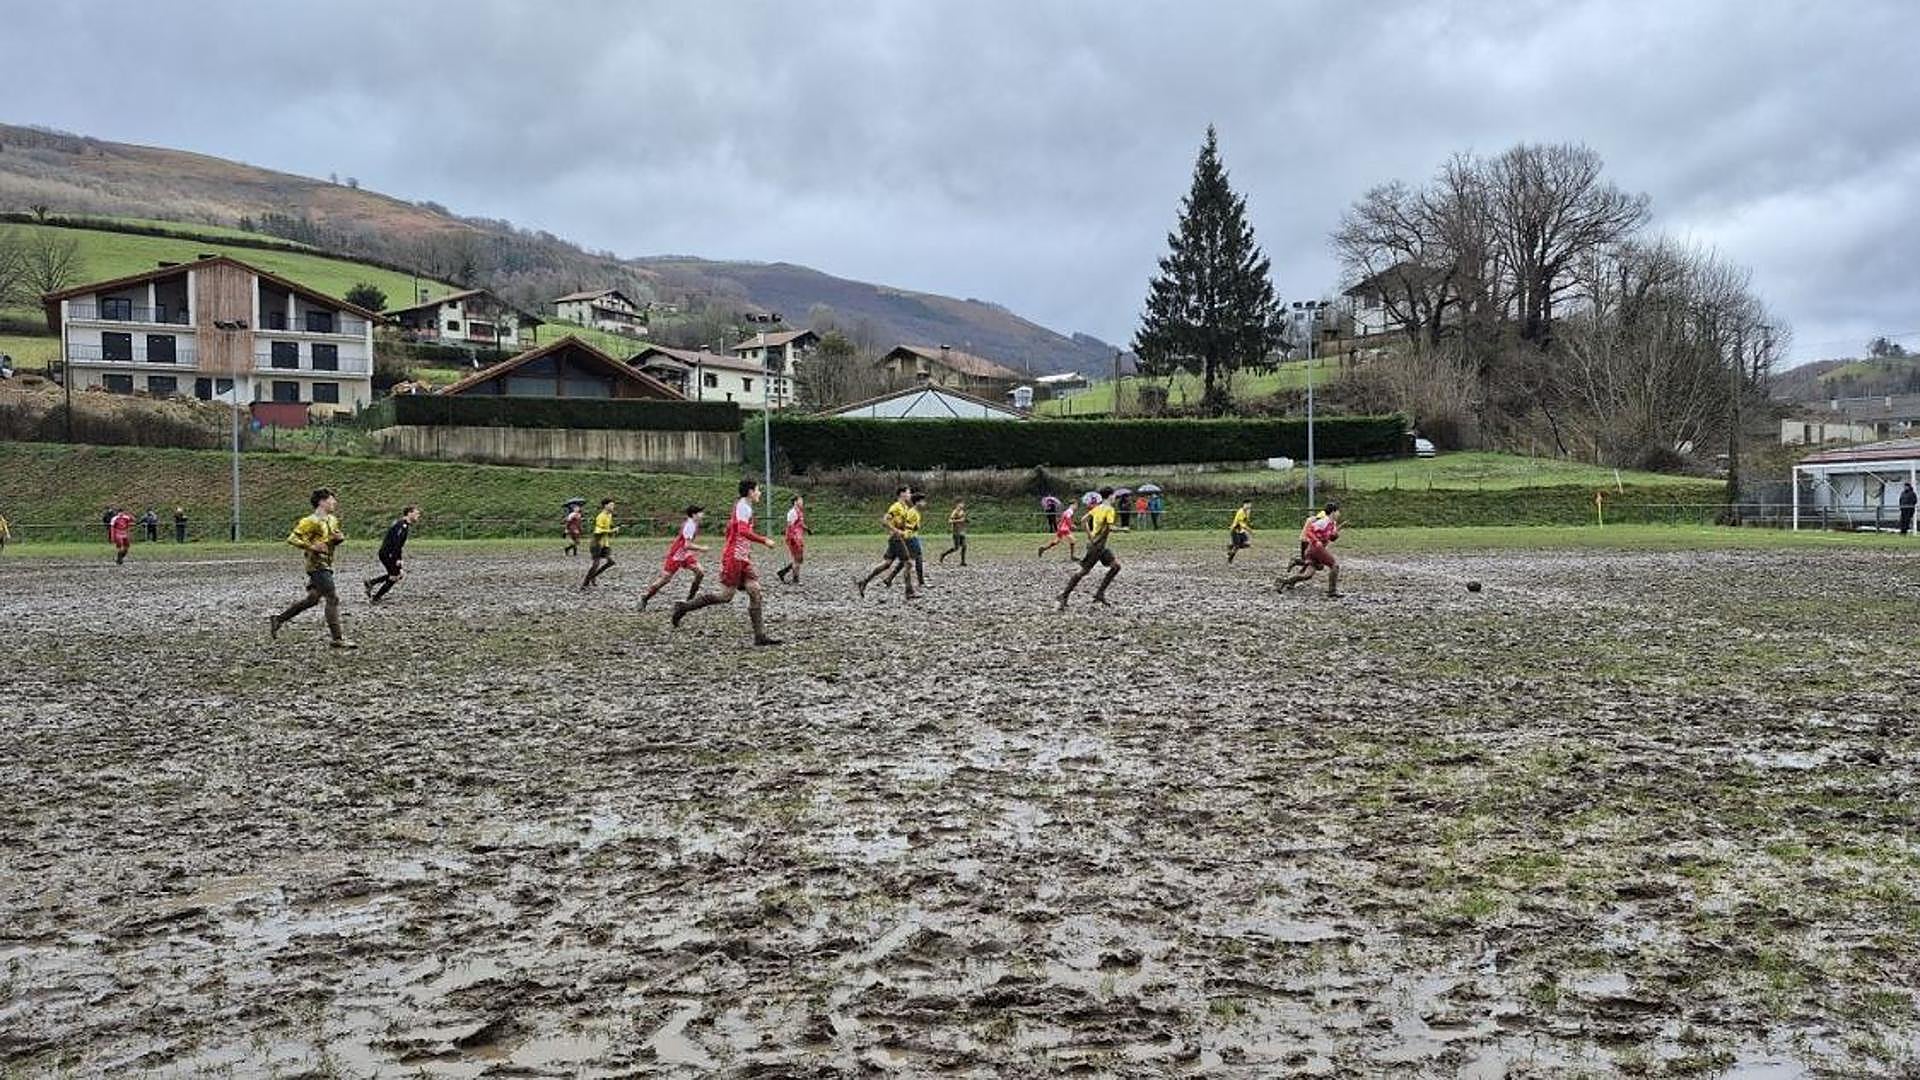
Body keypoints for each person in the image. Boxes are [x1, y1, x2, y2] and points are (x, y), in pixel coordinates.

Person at [672, 478, 781, 645]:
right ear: (751, 492)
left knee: (755, 590)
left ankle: (759, 636)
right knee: (725, 596)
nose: (760, 493)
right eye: (758, 490)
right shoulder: (743, 507)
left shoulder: (743, 506)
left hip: (743, 557)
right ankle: (683, 607)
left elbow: (732, 530)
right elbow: (743, 531)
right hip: (734, 559)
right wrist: (764, 540)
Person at [269, 487, 354, 648]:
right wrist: (311, 547)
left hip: (327, 564)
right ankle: (337, 639)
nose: (334, 502)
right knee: (332, 598)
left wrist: (339, 539)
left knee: (313, 599)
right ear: (322, 501)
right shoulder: (309, 521)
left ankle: (278, 619)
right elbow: (292, 539)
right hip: (316, 565)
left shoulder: (332, 520)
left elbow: (333, 536)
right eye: (331, 499)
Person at [1057, 488, 1121, 610]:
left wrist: (1090, 535)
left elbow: (1083, 520)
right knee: (1083, 571)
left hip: (1099, 546)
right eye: (1114, 496)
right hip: (1097, 547)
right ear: (1110, 496)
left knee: (1116, 566)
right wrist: (1121, 530)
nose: (1115, 498)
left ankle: (1099, 594)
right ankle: (1064, 595)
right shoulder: (1109, 510)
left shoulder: (1097, 508)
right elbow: (1108, 528)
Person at [856, 486, 918, 599]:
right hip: (896, 539)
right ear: (902, 494)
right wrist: (897, 531)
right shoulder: (896, 507)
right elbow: (884, 521)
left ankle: (864, 582)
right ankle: (909, 592)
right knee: (908, 563)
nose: (910, 495)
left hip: (896, 539)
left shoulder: (904, 507)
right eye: (908, 493)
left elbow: (901, 523)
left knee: (887, 564)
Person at [642, 505, 707, 609]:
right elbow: (687, 545)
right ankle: (645, 597)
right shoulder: (690, 526)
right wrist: (701, 548)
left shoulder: (694, 524)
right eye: (701, 512)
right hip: (676, 554)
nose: (703, 515)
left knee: (700, 572)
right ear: (694, 514)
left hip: (685, 554)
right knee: (665, 579)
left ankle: (690, 600)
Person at [1279, 502, 1343, 598]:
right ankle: (1332, 591)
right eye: (1338, 511)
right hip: (1316, 548)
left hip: (1314, 549)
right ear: (1333, 512)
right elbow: (1309, 530)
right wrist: (1316, 541)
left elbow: (1330, 537)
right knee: (1334, 565)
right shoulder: (1324, 521)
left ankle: (1283, 581)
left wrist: (1335, 535)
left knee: (1307, 575)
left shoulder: (1332, 523)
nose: (1339, 514)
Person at [363, 505, 420, 604]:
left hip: (388, 553)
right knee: (395, 576)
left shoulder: (403, 525)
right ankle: (375, 598)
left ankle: (371, 583)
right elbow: (396, 543)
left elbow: (397, 543)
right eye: (416, 513)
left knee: (398, 575)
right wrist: (397, 558)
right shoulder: (401, 525)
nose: (418, 515)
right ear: (409, 513)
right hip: (388, 554)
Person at [581, 498, 619, 591]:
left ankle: (593, 577)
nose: (613, 507)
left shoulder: (609, 515)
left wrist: (613, 530)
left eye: (613, 505)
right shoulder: (600, 516)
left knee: (610, 562)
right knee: (596, 564)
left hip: (605, 543)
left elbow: (607, 527)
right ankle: (585, 583)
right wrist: (611, 531)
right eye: (611, 505)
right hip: (596, 542)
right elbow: (598, 531)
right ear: (605, 506)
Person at [776, 494, 811, 583]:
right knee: (797, 559)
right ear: (795, 502)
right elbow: (790, 526)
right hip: (794, 538)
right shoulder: (792, 512)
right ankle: (796, 579)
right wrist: (792, 539)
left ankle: (783, 572)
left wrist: (807, 529)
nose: (802, 502)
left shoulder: (799, 512)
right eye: (800, 500)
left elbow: (800, 523)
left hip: (798, 537)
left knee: (799, 559)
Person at [940, 499, 969, 566]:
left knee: (964, 546)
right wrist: (959, 520)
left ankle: (963, 562)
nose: (962, 505)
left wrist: (966, 521)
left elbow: (963, 520)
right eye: (961, 504)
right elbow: (950, 521)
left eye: (963, 504)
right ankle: (943, 554)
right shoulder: (955, 512)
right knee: (956, 548)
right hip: (956, 532)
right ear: (957, 504)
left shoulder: (962, 511)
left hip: (962, 531)